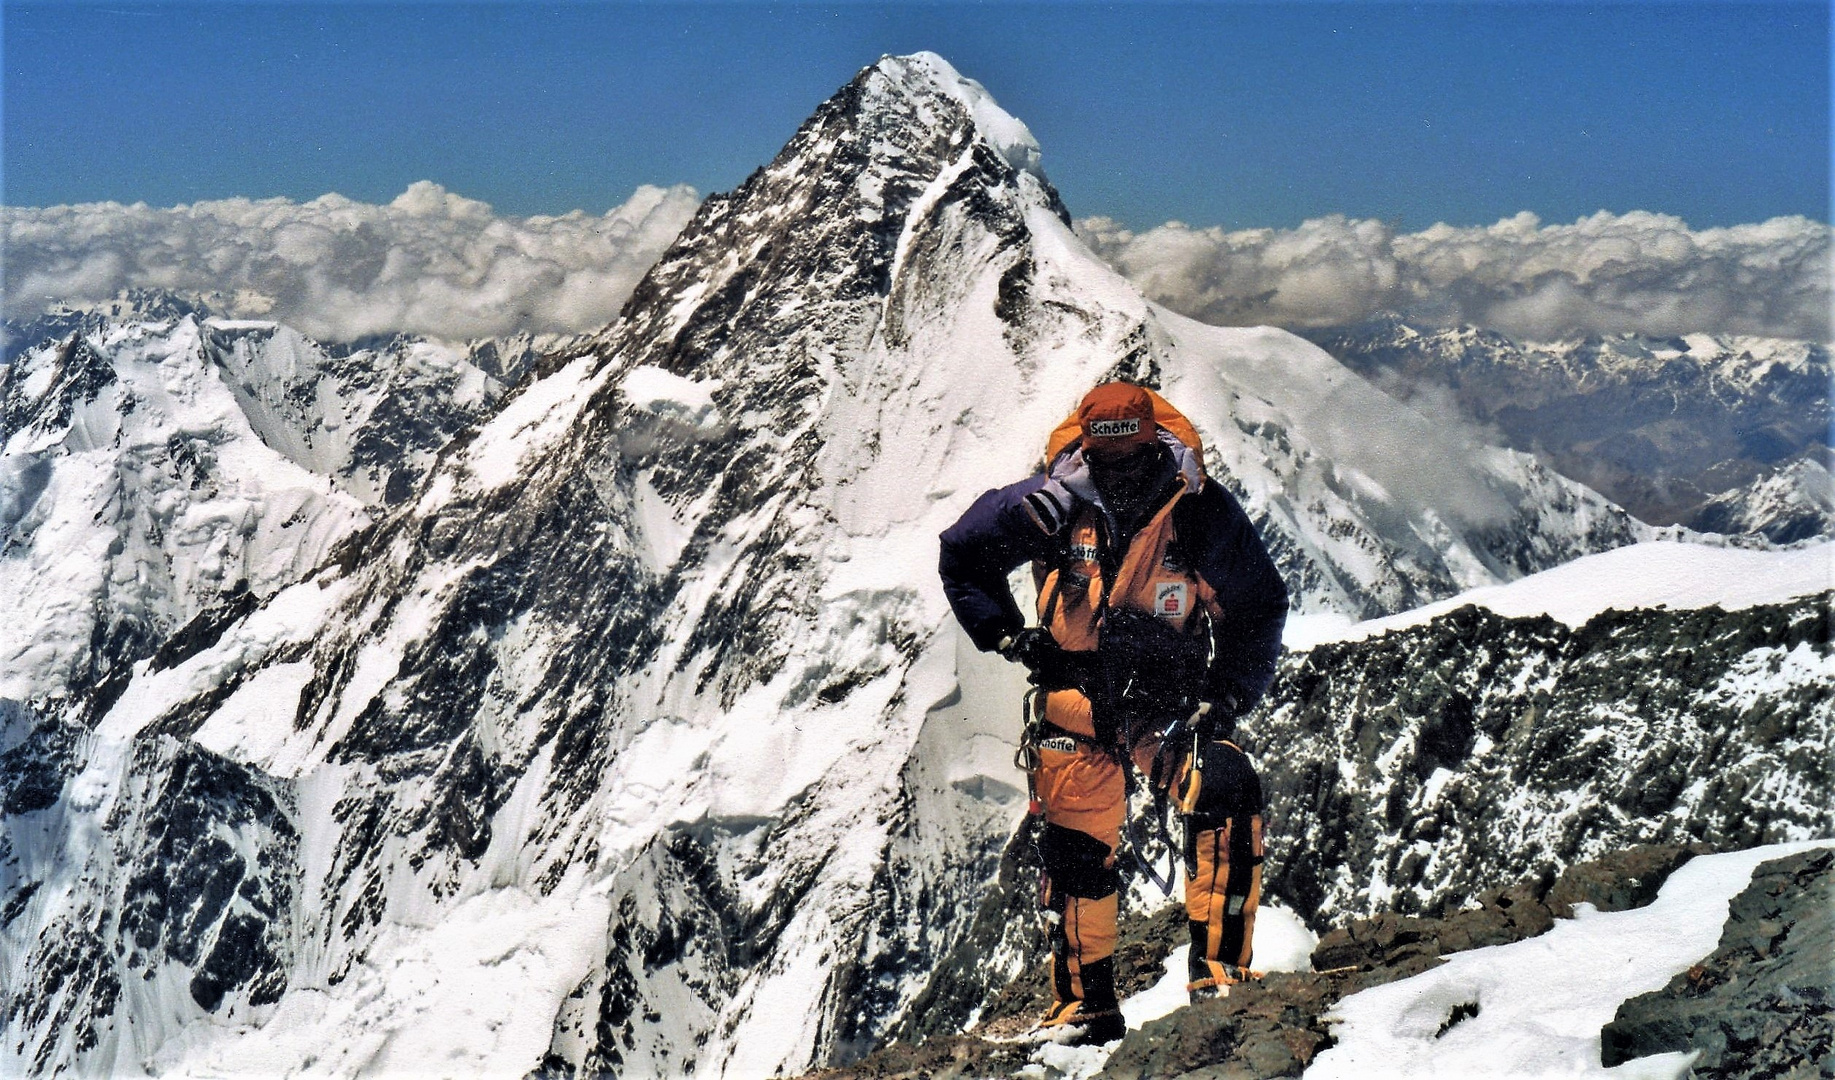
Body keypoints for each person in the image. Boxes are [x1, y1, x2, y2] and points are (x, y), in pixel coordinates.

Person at [938, 381, 1288, 1045]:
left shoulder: (1198, 512)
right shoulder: (1046, 506)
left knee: (1223, 787)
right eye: (1110, 464)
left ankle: (1219, 978)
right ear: (1089, 456)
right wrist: (1007, 634)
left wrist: (1228, 695)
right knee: (1075, 856)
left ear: (1156, 446)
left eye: (1136, 461)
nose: (1123, 476)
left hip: (1166, 707)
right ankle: (1083, 1009)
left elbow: (1258, 605)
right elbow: (960, 555)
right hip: (1075, 702)